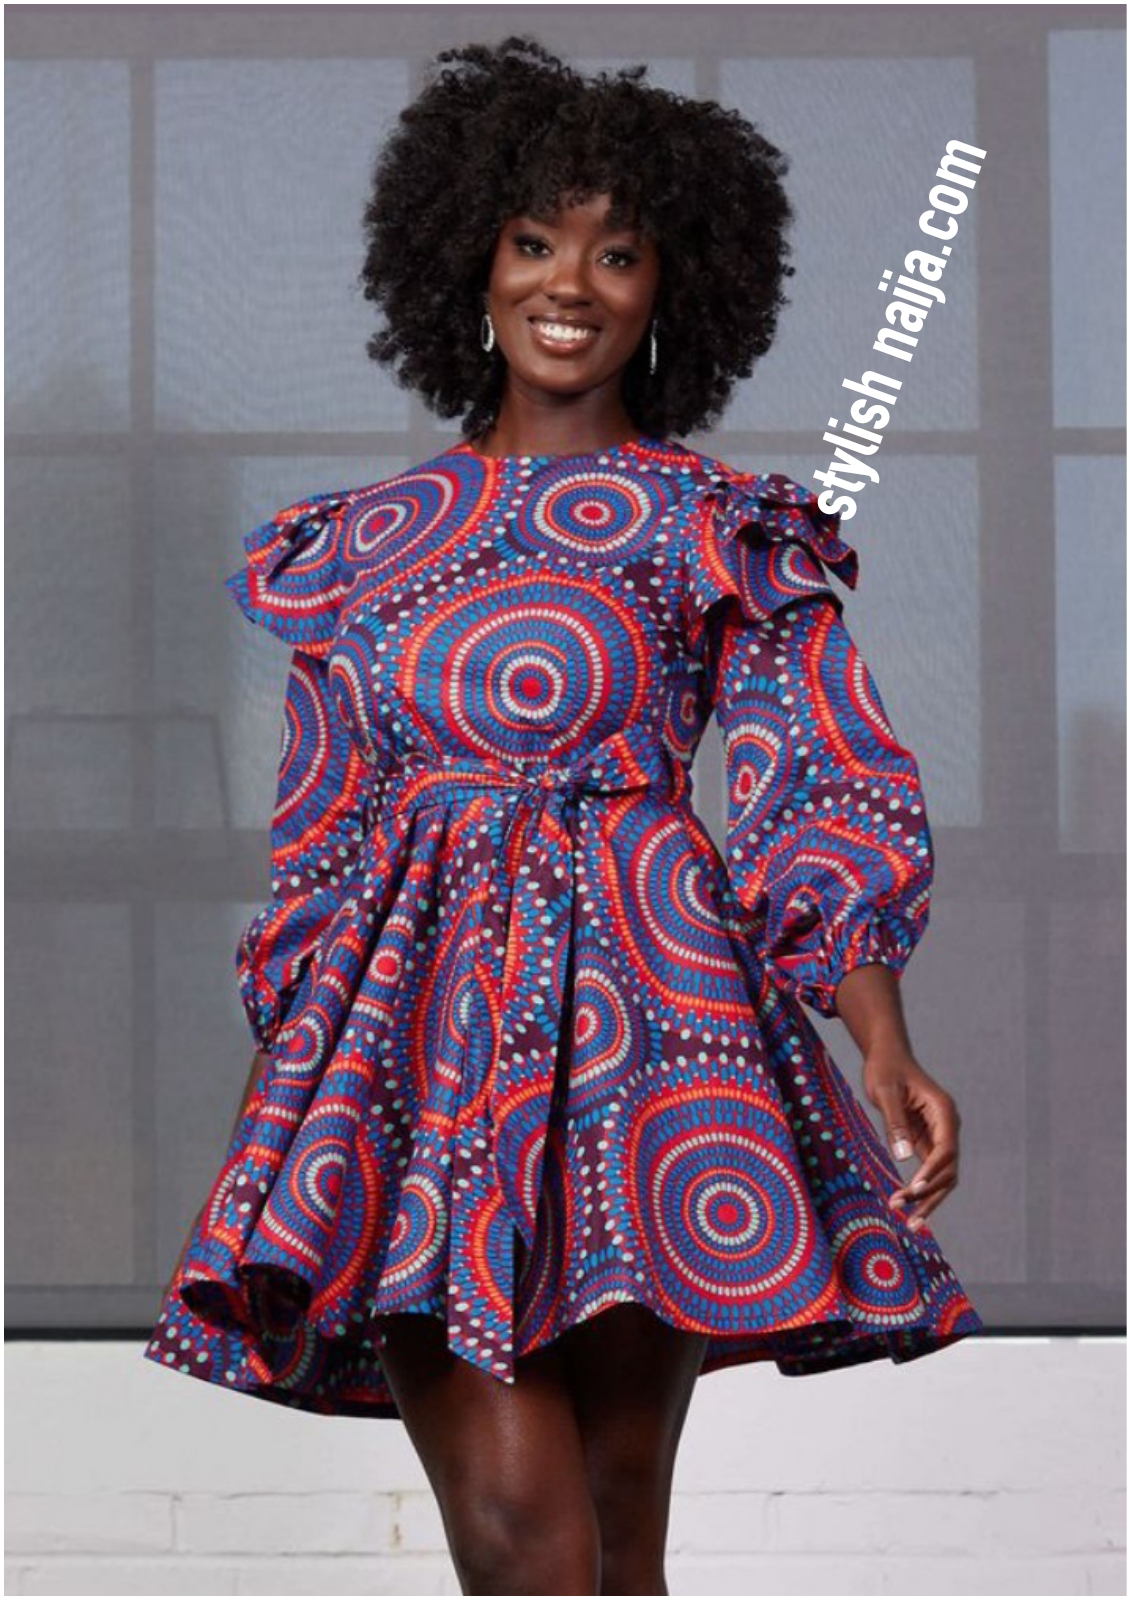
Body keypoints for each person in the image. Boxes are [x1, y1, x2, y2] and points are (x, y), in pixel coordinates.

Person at [144, 35, 983, 1596]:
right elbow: (322, 839)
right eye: (534, 240)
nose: (570, 286)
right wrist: (297, 1102)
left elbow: (817, 779)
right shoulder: (360, 547)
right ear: (470, 262)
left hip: (655, 1051)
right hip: (419, 1057)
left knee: (614, 1536)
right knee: (526, 1541)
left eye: (617, 251)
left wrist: (879, 1037)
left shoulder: (718, 529)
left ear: (674, 288)